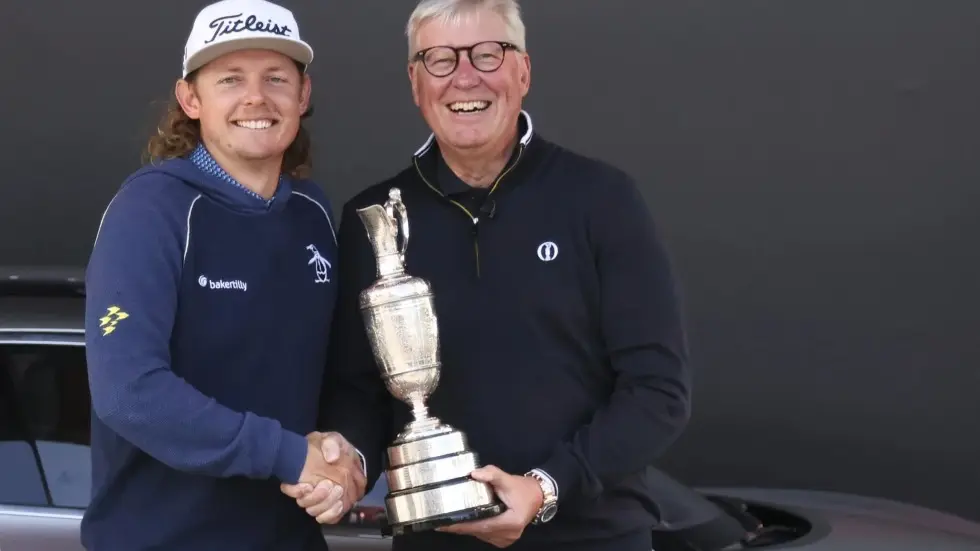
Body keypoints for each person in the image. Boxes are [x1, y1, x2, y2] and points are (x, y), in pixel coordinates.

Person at [286, 0, 692, 549]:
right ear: (415, 81)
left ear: (522, 70)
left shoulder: (601, 199)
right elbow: (357, 391)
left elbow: (657, 392)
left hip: (594, 536)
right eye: (440, 60)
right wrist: (348, 461)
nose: (464, 77)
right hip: (438, 538)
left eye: (487, 53)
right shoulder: (375, 218)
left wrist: (546, 487)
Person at [81, 1, 364, 549]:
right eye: (231, 79)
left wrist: (343, 456)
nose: (256, 97)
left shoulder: (312, 213)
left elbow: (340, 373)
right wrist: (288, 455)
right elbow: (128, 391)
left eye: (276, 78)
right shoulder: (151, 210)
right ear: (191, 99)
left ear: (303, 96)